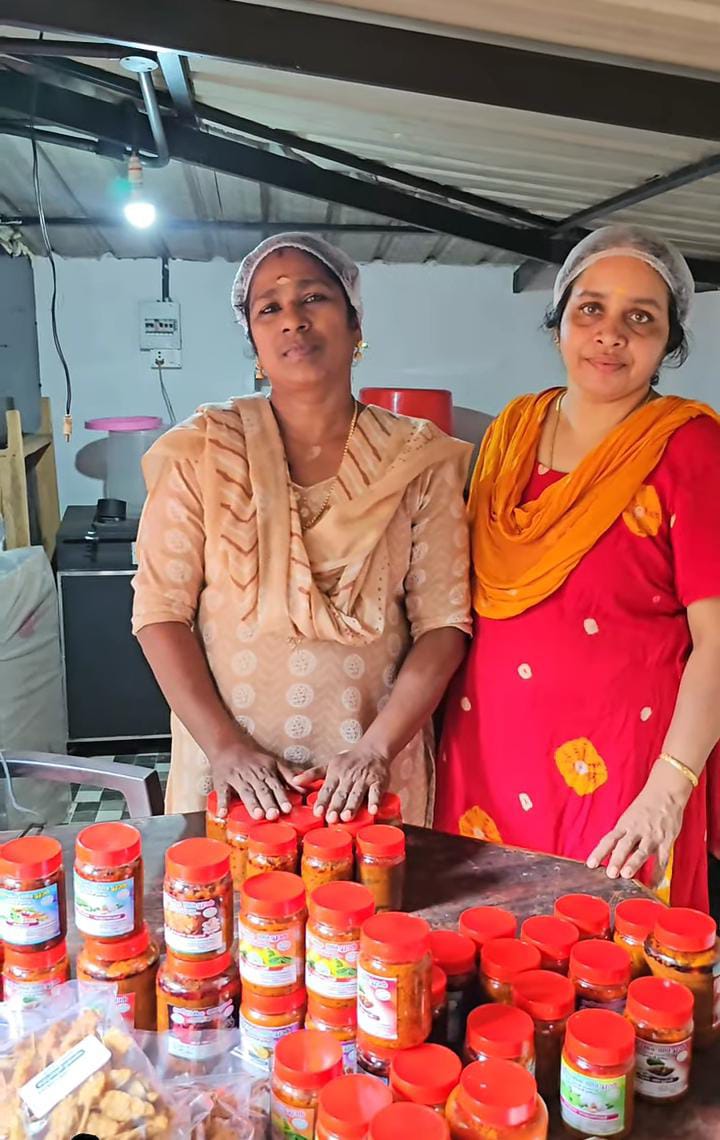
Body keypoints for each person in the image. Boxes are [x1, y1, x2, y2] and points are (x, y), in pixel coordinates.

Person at [132, 233, 471, 827]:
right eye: (269, 308)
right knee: (227, 916)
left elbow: (443, 623)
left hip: (371, 775)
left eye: (313, 298)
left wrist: (374, 750)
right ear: (255, 342)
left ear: (354, 325)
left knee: (375, 916)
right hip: (230, 771)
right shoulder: (200, 454)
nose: (293, 320)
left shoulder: (419, 459)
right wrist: (226, 748)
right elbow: (159, 612)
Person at [435, 224, 720, 910]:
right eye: (590, 308)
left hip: (625, 770)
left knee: (608, 975)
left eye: (640, 318)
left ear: (668, 342)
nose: (610, 334)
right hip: (487, 751)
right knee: (484, 963)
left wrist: (668, 789)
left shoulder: (690, 447)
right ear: (559, 320)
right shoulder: (511, 430)